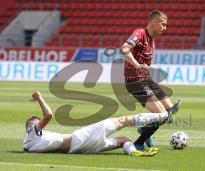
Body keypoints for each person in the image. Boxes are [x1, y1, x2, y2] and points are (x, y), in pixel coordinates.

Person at [23, 91, 178, 156]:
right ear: (31, 125)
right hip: (81, 138)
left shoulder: (28, 146)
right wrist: (39, 98)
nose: (41, 125)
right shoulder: (32, 132)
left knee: (123, 140)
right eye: (37, 123)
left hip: (80, 149)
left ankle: (134, 152)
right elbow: (49, 115)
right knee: (123, 120)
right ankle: (162, 115)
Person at [120, 10, 181, 150]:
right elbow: (124, 49)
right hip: (135, 82)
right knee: (161, 115)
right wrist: (136, 65)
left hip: (146, 80)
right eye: (163, 25)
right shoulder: (140, 33)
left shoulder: (152, 41)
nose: (165, 28)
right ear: (154, 22)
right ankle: (139, 143)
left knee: (170, 110)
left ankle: (144, 129)